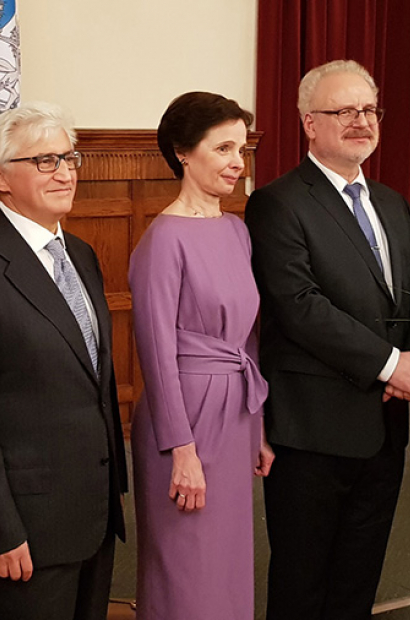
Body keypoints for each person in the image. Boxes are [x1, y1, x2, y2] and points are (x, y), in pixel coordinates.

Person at [244, 60, 410, 620]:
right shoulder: (277, 203)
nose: (362, 121)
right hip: (313, 429)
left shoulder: (392, 203)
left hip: (383, 426)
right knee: (303, 583)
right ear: (309, 123)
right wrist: (391, 365)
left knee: (359, 579)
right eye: (344, 110)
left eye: (369, 110)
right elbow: (299, 307)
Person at [0, 102, 128, 620]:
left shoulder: (81, 254)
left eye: (69, 158)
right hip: (21, 527)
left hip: (91, 514)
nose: (64, 173)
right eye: (44, 161)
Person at [129, 91, 274, 620]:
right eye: (223, 148)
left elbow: (248, 337)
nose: (238, 162)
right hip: (184, 420)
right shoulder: (162, 239)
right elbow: (155, 352)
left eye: (242, 149)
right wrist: (181, 450)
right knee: (187, 570)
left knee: (226, 566)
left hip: (235, 415)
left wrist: (258, 428)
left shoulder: (236, 230)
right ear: (183, 153)